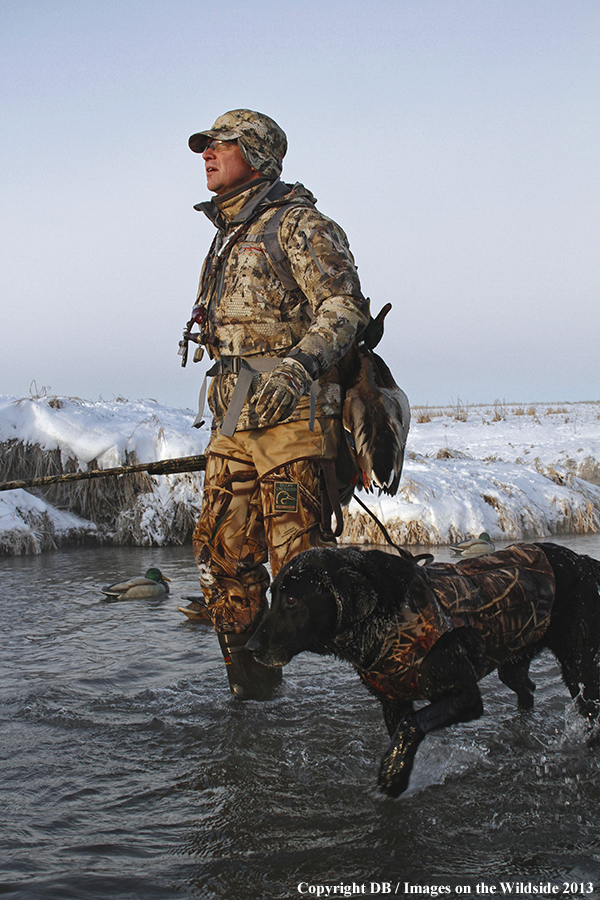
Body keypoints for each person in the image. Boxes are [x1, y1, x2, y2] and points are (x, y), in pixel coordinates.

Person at [184, 109, 370, 700]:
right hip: (234, 417)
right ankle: (253, 699)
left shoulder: (299, 226)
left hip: (294, 418)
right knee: (222, 556)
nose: (208, 154)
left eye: (222, 144)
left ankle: (405, 668)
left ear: (259, 154)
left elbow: (344, 311)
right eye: (206, 146)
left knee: (304, 572)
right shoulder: (226, 237)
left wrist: (297, 367)